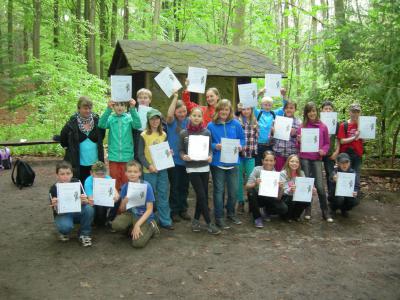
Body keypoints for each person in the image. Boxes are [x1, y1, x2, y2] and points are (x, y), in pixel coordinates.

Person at [179, 107, 221, 234]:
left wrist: (210, 156)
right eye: (194, 115)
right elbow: (181, 150)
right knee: (202, 195)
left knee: (201, 195)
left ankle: (196, 220)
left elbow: (209, 149)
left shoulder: (206, 132)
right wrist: (183, 156)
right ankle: (209, 223)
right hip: (192, 168)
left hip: (204, 167)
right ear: (190, 117)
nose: (196, 118)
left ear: (202, 118)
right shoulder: (184, 133)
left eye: (199, 116)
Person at [207, 99, 245, 229]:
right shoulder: (211, 125)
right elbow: (206, 143)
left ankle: (231, 213)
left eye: (227, 109)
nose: (224, 111)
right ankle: (219, 217)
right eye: (222, 109)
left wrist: (241, 146)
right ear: (218, 110)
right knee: (219, 191)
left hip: (233, 162)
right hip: (218, 163)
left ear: (230, 111)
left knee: (233, 190)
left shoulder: (236, 123)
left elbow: (242, 138)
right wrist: (215, 146)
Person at [138, 108, 174, 230]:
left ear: (160, 120)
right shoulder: (143, 135)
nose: (155, 121)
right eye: (152, 119)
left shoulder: (163, 134)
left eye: (157, 118)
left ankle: (165, 220)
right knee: (149, 196)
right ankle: (149, 221)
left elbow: (165, 151)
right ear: (148, 120)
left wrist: (169, 153)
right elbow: (140, 155)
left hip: (162, 170)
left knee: (163, 194)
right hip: (149, 171)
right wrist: (149, 166)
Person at [297, 102, 333, 222]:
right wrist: (299, 140)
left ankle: (325, 211)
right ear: (306, 113)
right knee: (307, 184)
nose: (312, 113)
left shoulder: (323, 126)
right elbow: (298, 146)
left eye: (314, 111)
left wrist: (324, 150)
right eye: (309, 111)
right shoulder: (302, 127)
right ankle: (308, 209)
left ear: (317, 112)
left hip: (317, 159)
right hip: (305, 158)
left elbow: (327, 143)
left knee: (320, 186)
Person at [111, 160, 159, 248]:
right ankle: (132, 228)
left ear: (140, 173)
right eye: (129, 171)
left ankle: (152, 226)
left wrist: (137, 225)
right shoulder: (125, 187)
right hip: (130, 213)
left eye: (135, 172)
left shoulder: (146, 186)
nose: (132, 174)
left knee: (137, 243)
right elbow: (122, 210)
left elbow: (149, 210)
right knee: (116, 225)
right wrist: (124, 202)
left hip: (144, 215)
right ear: (126, 173)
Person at [60, 96, 105, 184]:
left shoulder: (97, 121)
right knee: (81, 188)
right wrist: (68, 148)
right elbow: (63, 137)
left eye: (89, 108)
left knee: (95, 187)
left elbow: (101, 136)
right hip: (78, 163)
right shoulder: (72, 123)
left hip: (95, 162)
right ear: (79, 108)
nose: (88, 111)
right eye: (85, 108)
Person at [98, 99, 141, 191]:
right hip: (114, 156)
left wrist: (133, 109)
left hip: (127, 156)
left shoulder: (129, 118)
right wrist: (108, 109)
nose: (119, 107)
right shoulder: (111, 118)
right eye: (117, 105)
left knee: (127, 182)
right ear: (113, 107)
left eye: (122, 105)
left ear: (126, 107)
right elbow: (101, 124)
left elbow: (137, 125)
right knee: (115, 182)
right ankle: (116, 203)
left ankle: (125, 203)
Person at [49, 161, 94, 247]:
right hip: (63, 214)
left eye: (68, 173)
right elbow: (55, 210)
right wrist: (55, 204)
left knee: (89, 209)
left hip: (77, 211)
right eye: (62, 174)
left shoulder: (77, 183)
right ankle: (64, 231)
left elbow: (86, 202)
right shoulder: (53, 188)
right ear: (57, 175)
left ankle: (84, 234)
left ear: (72, 174)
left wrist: (85, 200)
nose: (65, 176)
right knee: (65, 228)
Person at [246, 151, 287, 228]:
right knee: (251, 192)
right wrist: (255, 184)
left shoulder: (276, 175)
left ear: (274, 162)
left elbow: (278, 198)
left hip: (269, 199)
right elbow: (247, 186)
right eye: (266, 160)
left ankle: (267, 211)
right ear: (262, 161)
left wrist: (281, 188)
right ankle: (257, 217)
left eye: (271, 161)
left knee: (283, 208)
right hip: (258, 198)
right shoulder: (257, 169)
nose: (268, 163)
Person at [166, 91, 190, 222]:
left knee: (184, 186)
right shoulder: (171, 122)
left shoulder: (189, 121)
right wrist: (175, 97)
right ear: (175, 112)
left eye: (184, 111)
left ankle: (183, 209)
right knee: (175, 186)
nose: (182, 114)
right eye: (179, 112)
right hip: (174, 160)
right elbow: (169, 114)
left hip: (186, 161)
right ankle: (174, 210)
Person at [254, 88, 287, 166]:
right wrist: (259, 94)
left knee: (269, 165)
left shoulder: (274, 113)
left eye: (269, 105)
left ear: (272, 105)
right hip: (259, 144)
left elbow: (284, 107)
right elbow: (252, 105)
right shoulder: (258, 112)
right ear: (261, 105)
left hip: (271, 145)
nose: (267, 106)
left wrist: (283, 95)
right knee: (258, 164)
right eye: (265, 104)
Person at [236, 103, 258, 214]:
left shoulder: (255, 121)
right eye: (243, 109)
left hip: (250, 155)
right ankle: (240, 202)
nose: (245, 111)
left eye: (248, 108)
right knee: (239, 180)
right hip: (239, 155)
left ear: (251, 109)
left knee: (251, 179)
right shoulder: (237, 121)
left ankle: (251, 201)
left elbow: (257, 137)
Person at [84, 161, 119, 227]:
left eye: (102, 174)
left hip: (105, 200)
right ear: (91, 173)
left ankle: (110, 220)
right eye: (97, 174)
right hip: (95, 203)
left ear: (105, 173)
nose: (100, 176)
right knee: (100, 222)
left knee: (118, 199)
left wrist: (116, 197)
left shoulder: (108, 178)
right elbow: (90, 198)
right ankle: (97, 220)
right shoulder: (88, 181)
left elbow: (116, 193)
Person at [279, 154, 312, 221]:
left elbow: (305, 187)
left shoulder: (301, 173)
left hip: (296, 196)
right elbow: (283, 191)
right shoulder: (283, 173)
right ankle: (286, 216)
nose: (294, 163)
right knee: (291, 197)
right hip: (286, 197)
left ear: (299, 164)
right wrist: (290, 190)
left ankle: (296, 215)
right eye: (292, 161)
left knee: (308, 198)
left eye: (297, 162)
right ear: (288, 162)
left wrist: (311, 190)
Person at [272, 100, 301, 171]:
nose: (289, 110)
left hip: (292, 154)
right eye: (287, 108)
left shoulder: (299, 122)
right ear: (284, 109)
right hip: (279, 152)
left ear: (295, 110)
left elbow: (301, 140)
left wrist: (295, 134)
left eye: (291, 108)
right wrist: (272, 133)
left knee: (290, 175)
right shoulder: (277, 120)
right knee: (278, 173)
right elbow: (270, 139)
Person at [329, 153, 360, 218]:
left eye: (346, 162)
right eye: (342, 163)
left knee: (355, 201)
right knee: (340, 198)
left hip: (348, 194)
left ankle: (344, 209)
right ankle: (333, 209)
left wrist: (355, 191)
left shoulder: (353, 173)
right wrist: (334, 180)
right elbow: (330, 181)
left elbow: (357, 186)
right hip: (335, 196)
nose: (344, 165)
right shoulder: (335, 172)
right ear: (338, 163)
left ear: (349, 163)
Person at [320, 101, 340, 201]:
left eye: (330, 109)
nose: (328, 110)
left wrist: (336, 152)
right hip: (318, 154)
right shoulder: (317, 122)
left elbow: (339, 139)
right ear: (321, 110)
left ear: (333, 110)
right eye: (325, 108)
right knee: (316, 175)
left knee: (331, 175)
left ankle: (331, 198)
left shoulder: (336, 123)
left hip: (330, 154)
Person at [337, 103, 363, 177]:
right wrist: (354, 137)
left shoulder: (362, 125)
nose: (355, 114)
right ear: (350, 112)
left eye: (357, 112)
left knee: (356, 176)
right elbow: (342, 141)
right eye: (353, 112)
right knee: (345, 176)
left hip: (357, 154)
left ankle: (356, 189)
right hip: (345, 155)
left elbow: (363, 140)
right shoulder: (344, 125)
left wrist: (359, 126)